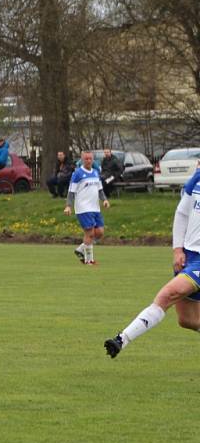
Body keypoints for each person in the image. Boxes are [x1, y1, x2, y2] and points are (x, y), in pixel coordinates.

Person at [105, 160, 200, 358]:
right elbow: (181, 214)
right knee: (187, 320)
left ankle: (121, 339)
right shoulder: (197, 180)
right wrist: (177, 249)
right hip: (188, 255)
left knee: (167, 295)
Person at [64, 151, 110, 265]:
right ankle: (89, 260)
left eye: (90, 159)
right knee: (89, 233)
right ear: (82, 160)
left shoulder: (95, 172)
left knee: (99, 232)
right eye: (86, 159)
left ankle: (80, 249)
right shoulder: (77, 174)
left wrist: (104, 200)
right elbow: (71, 191)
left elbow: (99, 189)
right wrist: (68, 206)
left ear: (93, 159)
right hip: (83, 208)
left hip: (95, 208)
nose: (88, 161)